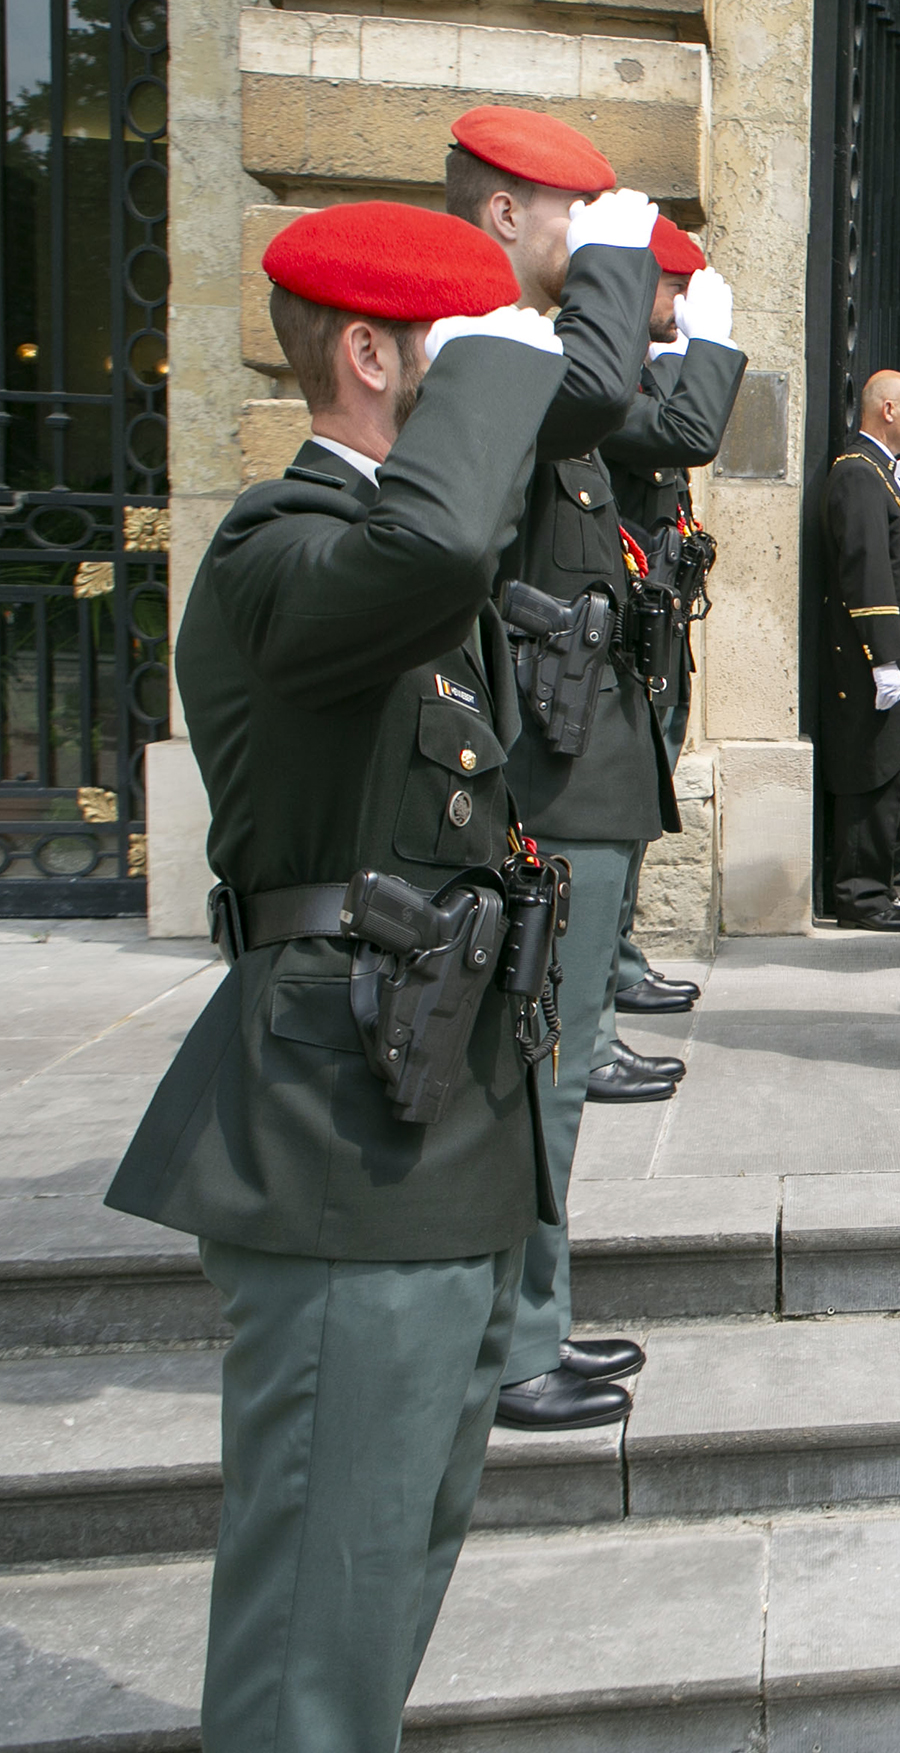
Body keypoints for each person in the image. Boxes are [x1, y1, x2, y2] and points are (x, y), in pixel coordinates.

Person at [103, 202, 570, 1750]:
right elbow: (434, 534)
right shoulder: (280, 546)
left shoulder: (404, 566)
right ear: (374, 357)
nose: (477, 398)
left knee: (388, 1581)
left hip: (432, 1115)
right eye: (449, 356)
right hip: (335, 1126)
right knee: (317, 1629)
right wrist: (508, 353)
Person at [444, 104, 670, 1431]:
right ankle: (515, 1336)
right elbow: (592, 387)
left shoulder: (538, 353)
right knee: (546, 1070)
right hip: (546, 766)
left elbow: (653, 412)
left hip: (576, 759)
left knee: (558, 1066)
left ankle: (537, 1314)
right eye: (565, 222)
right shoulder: (496, 349)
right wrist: (618, 275)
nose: (589, 250)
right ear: (500, 216)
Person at [604, 216, 744, 1037]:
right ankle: (599, 972)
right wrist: (708, 352)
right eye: (674, 290)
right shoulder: (597, 377)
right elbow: (685, 435)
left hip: (649, 627)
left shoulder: (644, 375)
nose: (682, 307)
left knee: (636, 802)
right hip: (615, 633)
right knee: (614, 806)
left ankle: (613, 958)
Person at [811, 371, 900, 929]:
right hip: (865, 654)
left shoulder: (878, 473)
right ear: (887, 409)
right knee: (869, 767)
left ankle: (878, 886)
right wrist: (884, 655)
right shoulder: (859, 474)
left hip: (884, 651)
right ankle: (859, 896)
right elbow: (865, 573)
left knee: (889, 768)